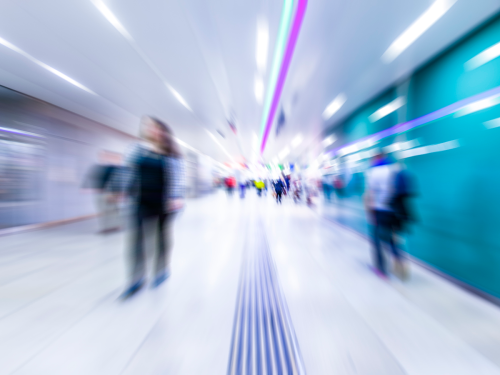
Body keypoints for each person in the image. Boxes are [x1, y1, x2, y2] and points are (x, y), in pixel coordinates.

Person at [122, 116, 185, 298]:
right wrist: (123, 194)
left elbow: (177, 177)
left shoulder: (171, 153)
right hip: (140, 201)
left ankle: (161, 270)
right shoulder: (136, 149)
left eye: (157, 128)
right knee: (136, 241)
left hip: (163, 202)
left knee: (161, 239)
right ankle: (136, 279)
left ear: (163, 132)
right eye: (149, 127)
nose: (153, 131)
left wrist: (175, 197)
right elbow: (128, 172)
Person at [364, 150, 409, 279]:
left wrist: (370, 212)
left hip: (380, 210)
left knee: (377, 239)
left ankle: (381, 270)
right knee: (393, 238)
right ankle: (401, 262)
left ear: (377, 158)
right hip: (396, 210)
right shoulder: (397, 168)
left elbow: (370, 193)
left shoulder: (374, 172)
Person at [85, 151, 123, 234]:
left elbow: (118, 181)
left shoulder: (114, 169)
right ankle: (106, 227)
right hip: (101, 193)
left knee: (113, 210)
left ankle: (114, 226)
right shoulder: (97, 168)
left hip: (111, 192)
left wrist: (118, 193)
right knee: (104, 211)